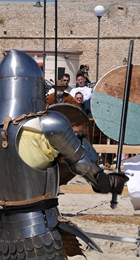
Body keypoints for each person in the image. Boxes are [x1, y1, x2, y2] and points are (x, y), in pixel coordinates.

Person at [0, 50, 129, 259]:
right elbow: (84, 165)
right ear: (35, 86)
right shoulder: (50, 125)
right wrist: (107, 181)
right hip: (39, 231)